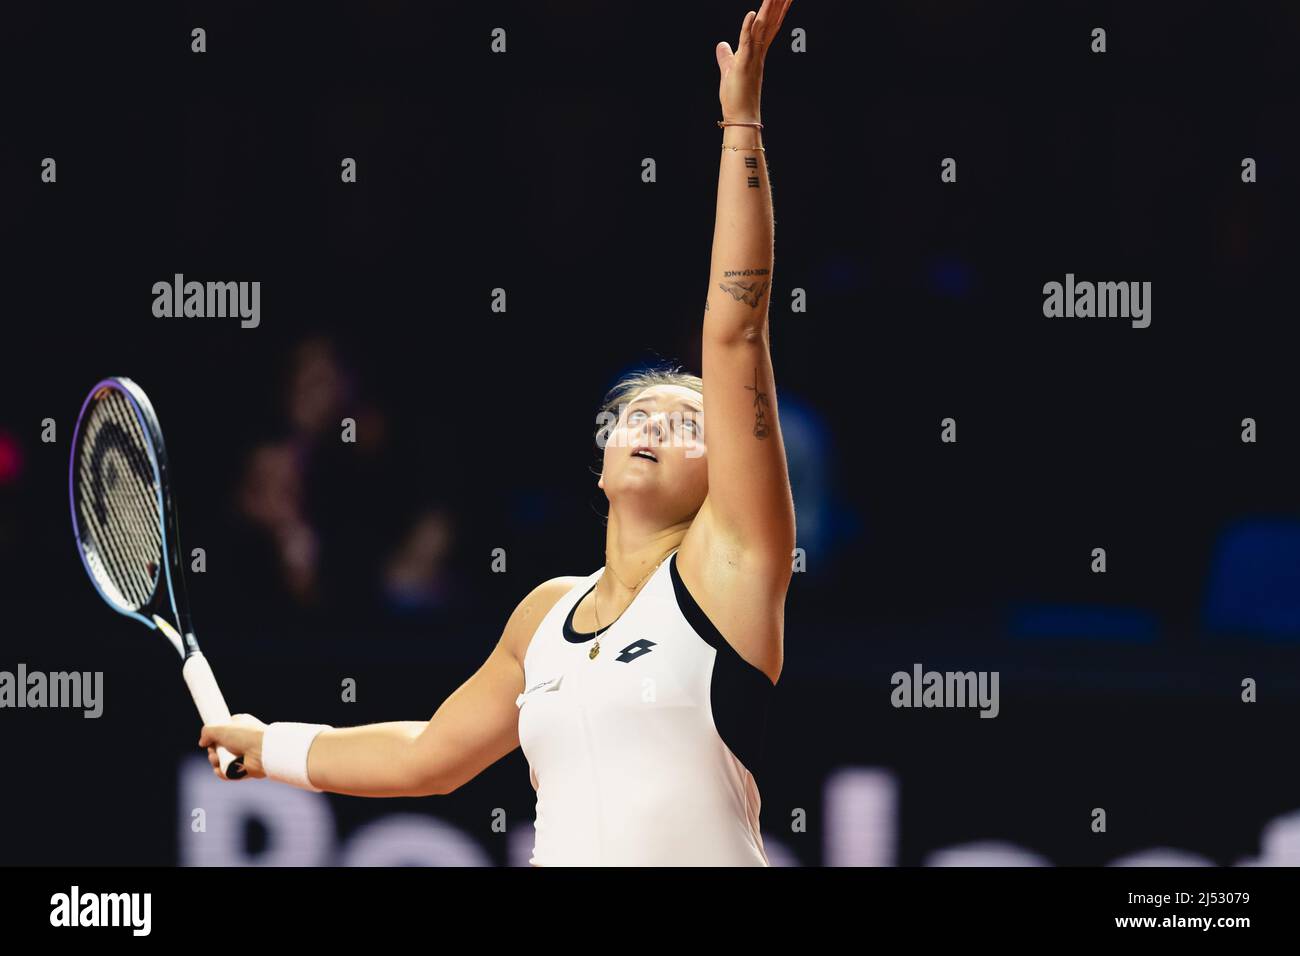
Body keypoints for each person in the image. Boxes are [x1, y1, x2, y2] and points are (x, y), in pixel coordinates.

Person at [200, 0, 797, 866]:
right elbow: (426, 758)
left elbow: (736, 327)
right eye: (636, 413)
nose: (652, 424)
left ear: (728, 480)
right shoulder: (543, 616)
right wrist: (270, 745)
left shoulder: (734, 570)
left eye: (687, 424)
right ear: (597, 469)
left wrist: (740, 121)